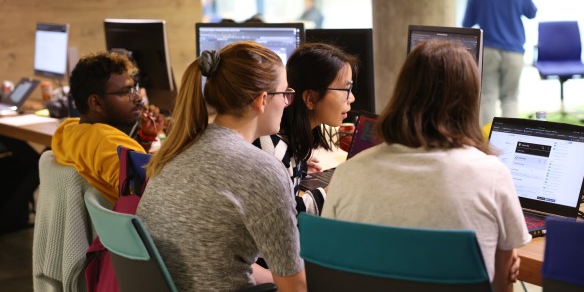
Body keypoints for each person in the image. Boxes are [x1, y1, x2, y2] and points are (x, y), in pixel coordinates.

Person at [322, 40, 531, 292]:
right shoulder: (492, 174)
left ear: (402, 93)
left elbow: (333, 266)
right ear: (468, 100)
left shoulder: (349, 173)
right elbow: (500, 284)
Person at [137, 42, 306, 292]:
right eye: (284, 93)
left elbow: (218, 257)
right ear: (262, 100)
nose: (287, 102)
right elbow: (295, 287)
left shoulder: (175, 151)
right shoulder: (263, 171)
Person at [255, 42, 357, 215]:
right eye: (345, 90)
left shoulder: (288, 143)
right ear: (310, 98)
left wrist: (298, 168)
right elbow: (288, 219)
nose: (352, 98)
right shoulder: (273, 151)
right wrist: (328, 194)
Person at [51, 51, 165, 204]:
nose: (137, 97)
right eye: (125, 92)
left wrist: (145, 138)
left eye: (134, 89)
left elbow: (124, 167)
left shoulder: (69, 130)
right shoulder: (106, 142)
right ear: (96, 103)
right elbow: (156, 195)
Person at [463, 0, 537, 125]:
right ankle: (510, 142)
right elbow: (532, 13)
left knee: (487, 97)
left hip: (487, 52)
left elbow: (467, 23)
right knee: (510, 97)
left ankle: (486, 144)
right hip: (514, 53)